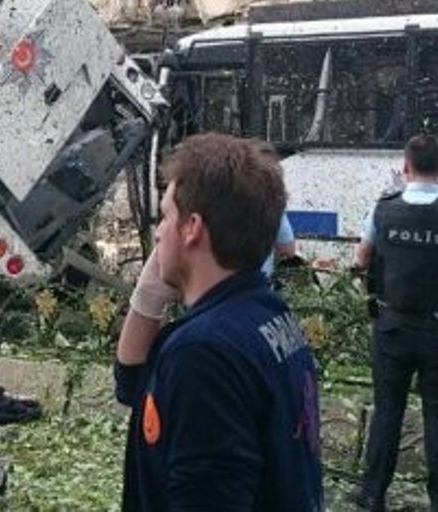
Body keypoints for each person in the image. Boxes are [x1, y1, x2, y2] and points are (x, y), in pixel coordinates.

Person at [114, 133, 322, 510]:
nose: (158, 231)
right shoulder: (270, 315)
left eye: (165, 215)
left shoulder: (204, 353)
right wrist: (149, 294)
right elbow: (134, 386)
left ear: (192, 227)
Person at [350, 134, 438, 511]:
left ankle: (372, 495)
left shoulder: (383, 210)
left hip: (392, 327)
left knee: (387, 411)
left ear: (405, 167)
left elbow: (362, 259)